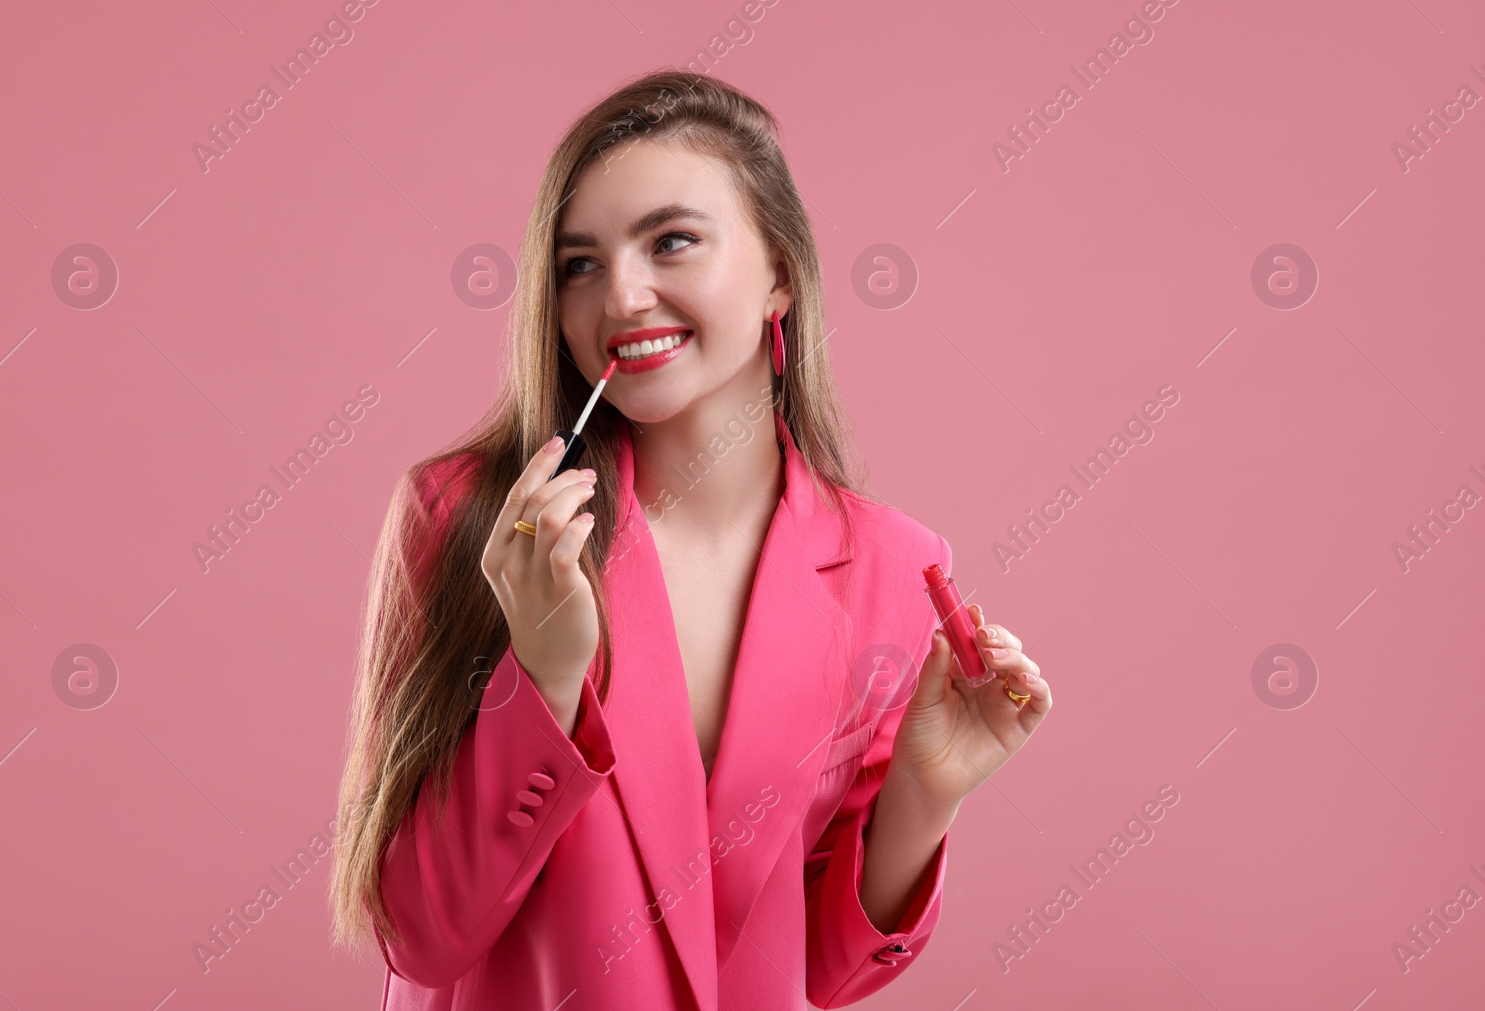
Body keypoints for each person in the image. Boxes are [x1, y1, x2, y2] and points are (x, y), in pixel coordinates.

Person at [328, 69, 1053, 1010]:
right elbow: (422, 935)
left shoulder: (888, 566)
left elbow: (817, 972)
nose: (621, 295)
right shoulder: (465, 517)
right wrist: (544, 681)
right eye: (579, 263)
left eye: (671, 241)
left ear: (780, 276)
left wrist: (924, 795)